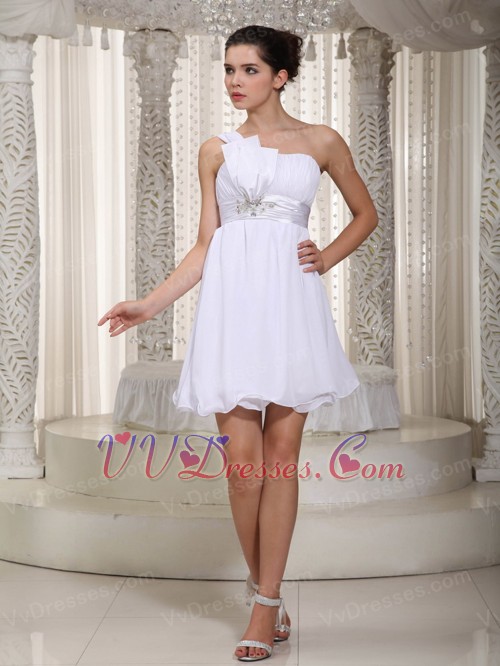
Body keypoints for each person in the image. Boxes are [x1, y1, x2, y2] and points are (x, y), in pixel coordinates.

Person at [98, 24, 378, 662]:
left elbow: (367, 215)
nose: (234, 81)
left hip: (291, 309)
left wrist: (325, 258)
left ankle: (265, 604)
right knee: (243, 471)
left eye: (249, 69)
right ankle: (264, 589)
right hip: (232, 312)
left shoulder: (322, 141)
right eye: (228, 69)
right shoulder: (215, 150)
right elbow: (206, 244)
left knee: (282, 458)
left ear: (280, 76)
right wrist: (149, 304)